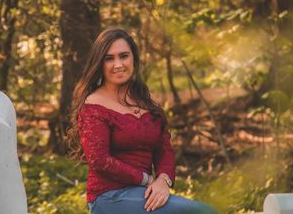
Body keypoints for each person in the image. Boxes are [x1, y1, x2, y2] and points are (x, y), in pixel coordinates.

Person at [67, 28, 217, 214]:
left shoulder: (148, 100)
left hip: (143, 193)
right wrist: (146, 180)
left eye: (124, 56)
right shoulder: (94, 105)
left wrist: (163, 180)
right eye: (109, 58)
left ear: (134, 59)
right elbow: (99, 160)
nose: (118, 64)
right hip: (109, 196)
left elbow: (164, 148)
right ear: (100, 63)